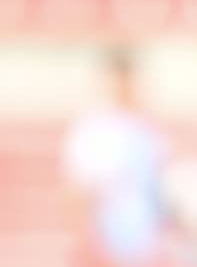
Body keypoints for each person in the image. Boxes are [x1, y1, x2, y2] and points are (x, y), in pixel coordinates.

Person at [62, 47, 168, 267]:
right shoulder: (95, 128)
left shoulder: (147, 127)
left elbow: (155, 186)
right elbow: (81, 190)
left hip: (144, 238)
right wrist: (89, 241)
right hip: (108, 237)